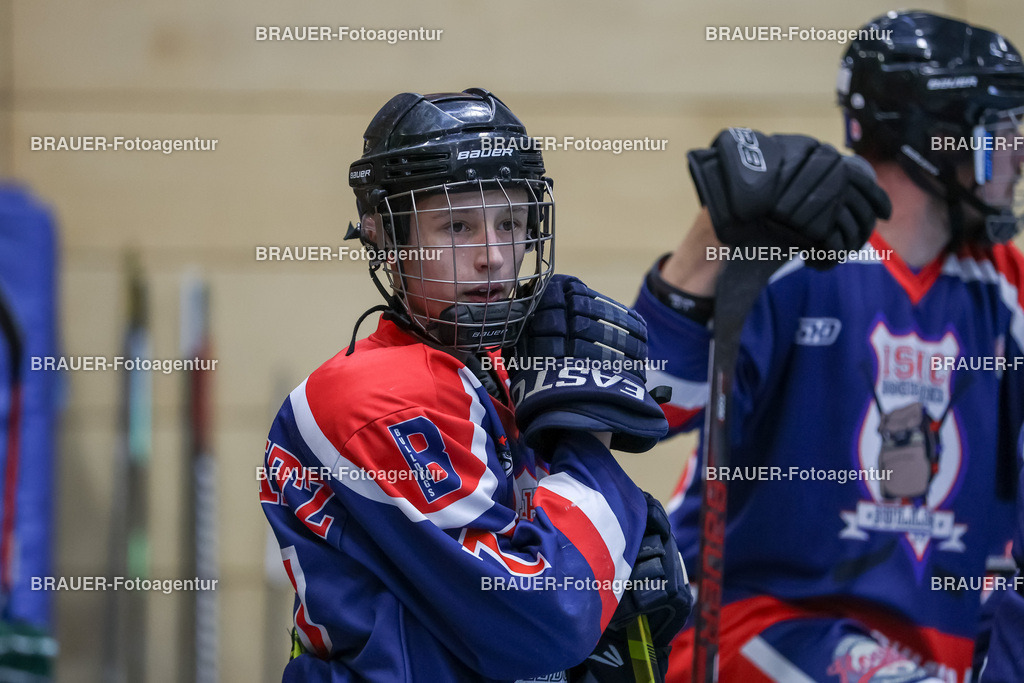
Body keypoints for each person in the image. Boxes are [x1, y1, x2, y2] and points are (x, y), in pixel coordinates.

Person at [633, 11, 1024, 683]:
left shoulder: (1005, 288)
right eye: (1004, 132)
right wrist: (707, 245)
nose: (1016, 156)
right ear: (937, 140)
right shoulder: (795, 260)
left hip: (941, 649)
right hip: (756, 625)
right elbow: (643, 403)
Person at [260, 88, 692, 682]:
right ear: (386, 233)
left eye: (511, 223)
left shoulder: (499, 375)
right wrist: (588, 444)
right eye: (458, 225)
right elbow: (541, 615)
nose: (493, 254)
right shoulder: (370, 397)